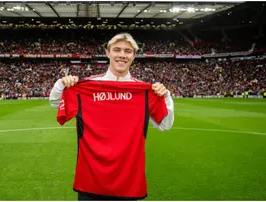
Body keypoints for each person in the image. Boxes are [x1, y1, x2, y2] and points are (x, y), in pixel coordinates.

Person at [49, 33, 174, 200]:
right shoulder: (86, 87)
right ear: (108, 53)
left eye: (127, 51)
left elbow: (165, 125)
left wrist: (165, 96)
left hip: (128, 184)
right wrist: (61, 84)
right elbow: (55, 103)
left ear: (133, 56)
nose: (122, 55)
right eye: (117, 50)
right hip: (90, 182)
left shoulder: (145, 92)